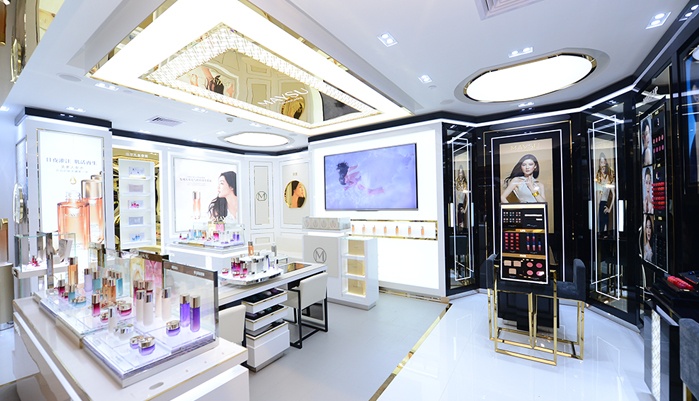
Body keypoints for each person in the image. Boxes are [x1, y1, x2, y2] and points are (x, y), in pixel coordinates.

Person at [595, 153, 615, 235]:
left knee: (604, 229)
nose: (602, 164)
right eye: (601, 162)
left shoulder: (609, 177)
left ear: (606, 163)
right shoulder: (598, 177)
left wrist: (609, 208)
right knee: (600, 229)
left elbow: (614, 194)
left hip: (604, 204)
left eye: (604, 162)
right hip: (598, 205)